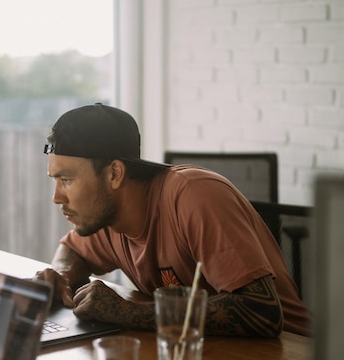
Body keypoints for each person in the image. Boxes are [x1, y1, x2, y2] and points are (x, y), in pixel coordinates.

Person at [37, 102, 310, 338]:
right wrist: (61, 275)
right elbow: (72, 249)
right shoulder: (105, 216)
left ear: (114, 174)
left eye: (67, 180)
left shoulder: (193, 194)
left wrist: (127, 312)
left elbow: (262, 310)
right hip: (206, 356)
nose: (56, 197)